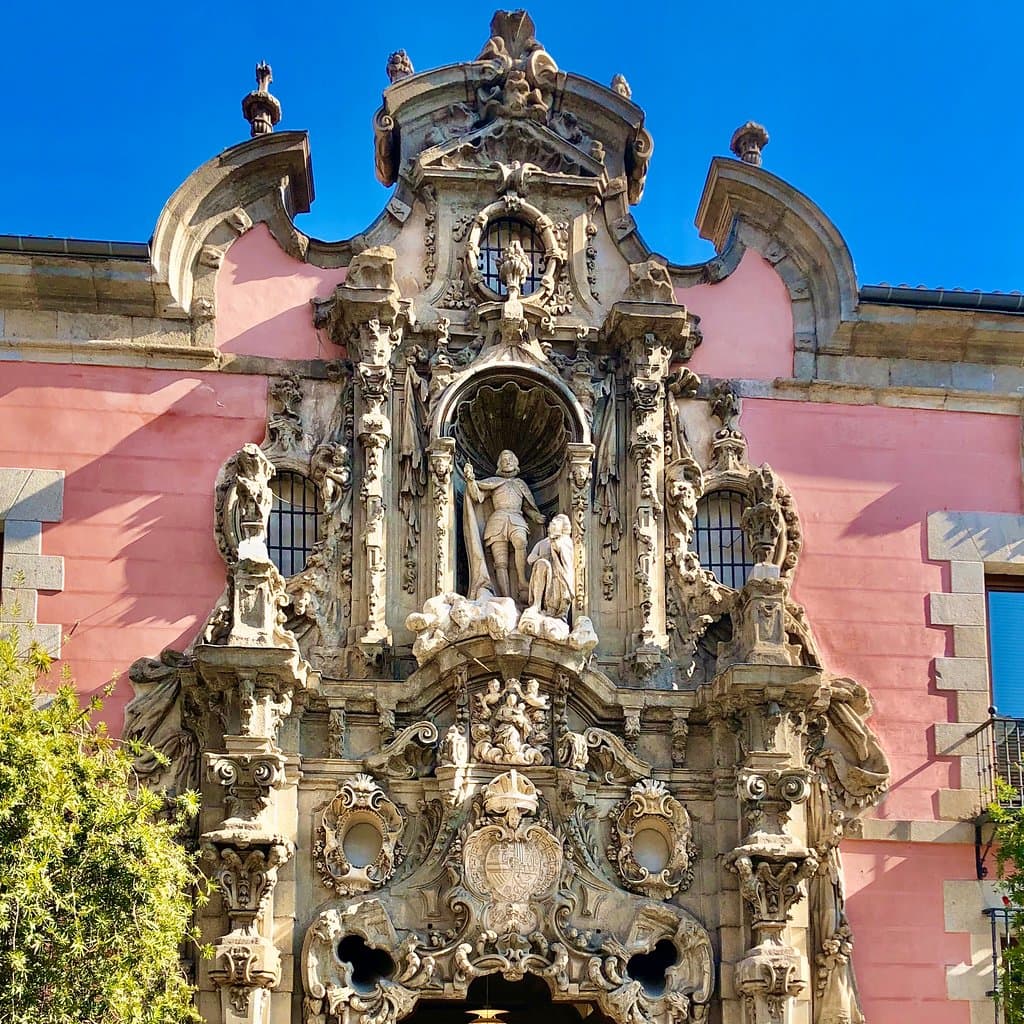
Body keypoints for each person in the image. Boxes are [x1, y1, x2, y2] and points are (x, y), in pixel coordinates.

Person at [464, 450, 544, 601]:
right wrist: (470, 480)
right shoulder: (493, 482)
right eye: (504, 460)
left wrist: (535, 516)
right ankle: (505, 597)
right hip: (497, 520)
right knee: (500, 562)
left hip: (516, 517)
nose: (507, 462)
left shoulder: (521, 484)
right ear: (499, 465)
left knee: (520, 541)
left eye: (510, 459)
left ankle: (522, 581)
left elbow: (527, 507)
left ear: (515, 463)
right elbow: (477, 496)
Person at [526, 513, 574, 620]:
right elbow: (530, 559)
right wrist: (541, 558)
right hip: (543, 574)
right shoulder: (542, 543)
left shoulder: (565, 541)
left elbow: (567, 561)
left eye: (557, 523)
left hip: (558, 575)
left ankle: (558, 612)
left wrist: (557, 546)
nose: (553, 525)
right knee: (542, 563)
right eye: (552, 523)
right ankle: (537, 604)